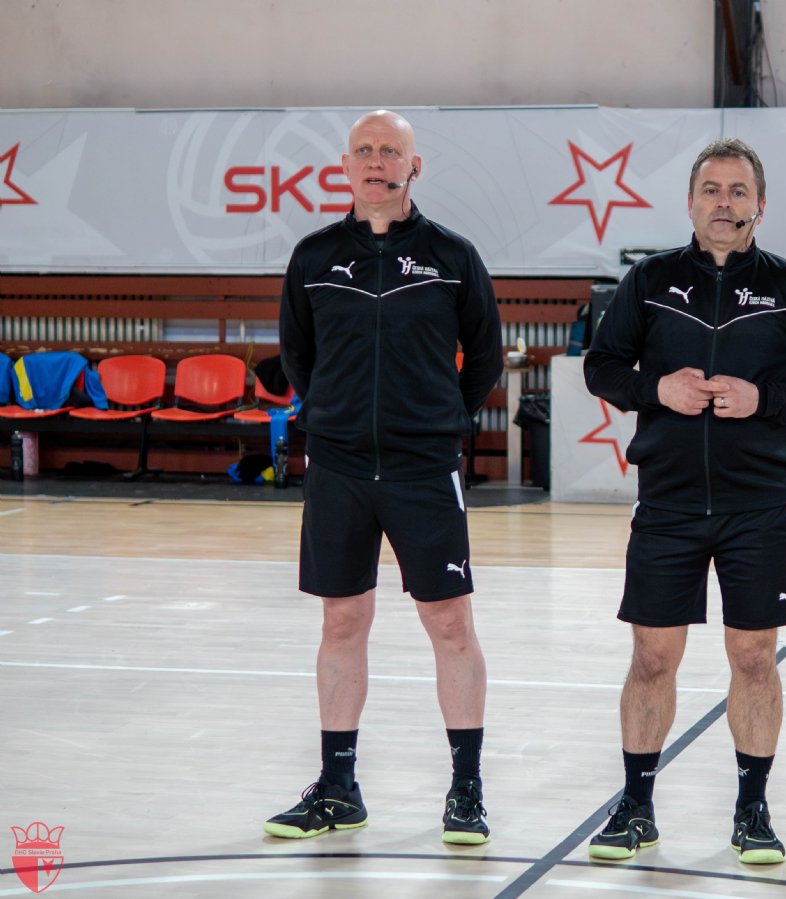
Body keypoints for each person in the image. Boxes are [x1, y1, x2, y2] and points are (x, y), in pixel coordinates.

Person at [583, 138, 786, 866]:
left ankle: (752, 810)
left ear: (759, 205)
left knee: (755, 657)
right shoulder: (650, 280)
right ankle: (636, 807)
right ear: (691, 202)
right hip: (666, 502)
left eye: (737, 192)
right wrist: (656, 388)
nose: (724, 203)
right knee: (651, 657)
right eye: (711, 190)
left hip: (756, 504)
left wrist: (766, 400)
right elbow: (601, 367)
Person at [266, 110, 503, 843]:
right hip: (338, 465)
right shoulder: (313, 256)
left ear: (413, 166)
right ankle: (339, 788)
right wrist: (337, 416)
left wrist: (437, 421)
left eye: (390, 151)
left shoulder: (453, 257)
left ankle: (466, 789)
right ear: (345, 167)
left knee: (450, 622)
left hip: (423, 466)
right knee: (341, 619)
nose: (376, 161)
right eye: (364, 150)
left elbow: (485, 357)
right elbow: (299, 356)